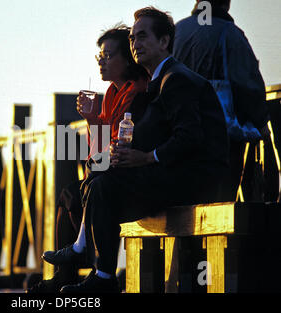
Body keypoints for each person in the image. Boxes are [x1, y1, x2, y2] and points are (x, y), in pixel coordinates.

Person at [42, 6, 229, 293]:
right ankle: (96, 271)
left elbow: (189, 137)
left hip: (195, 180)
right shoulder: (160, 81)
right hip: (176, 173)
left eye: (142, 37)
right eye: (132, 39)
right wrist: (126, 155)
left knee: (103, 184)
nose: (135, 44)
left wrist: (145, 157)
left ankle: (99, 274)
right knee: (99, 180)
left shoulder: (175, 79)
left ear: (164, 42)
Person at [26, 25, 149, 293]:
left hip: (133, 179)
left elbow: (114, 150)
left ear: (127, 59)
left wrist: (97, 160)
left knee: (84, 189)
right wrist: (93, 118)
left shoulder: (137, 91)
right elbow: (100, 149)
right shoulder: (113, 95)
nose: (101, 61)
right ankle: (65, 274)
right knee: (69, 194)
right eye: (99, 57)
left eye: (108, 55)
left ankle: (93, 269)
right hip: (111, 174)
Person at [173, 0, 271, 201]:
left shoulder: (177, 31)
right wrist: (262, 122)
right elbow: (247, 84)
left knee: (185, 206)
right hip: (218, 137)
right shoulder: (229, 33)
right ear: (226, 3)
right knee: (219, 207)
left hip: (178, 135)